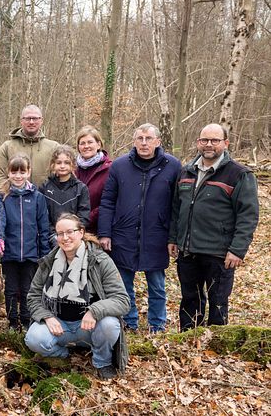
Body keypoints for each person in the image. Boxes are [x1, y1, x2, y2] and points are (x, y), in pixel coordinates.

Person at [168, 123, 259, 331]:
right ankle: (189, 338)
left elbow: (248, 216)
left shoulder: (239, 174)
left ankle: (215, 343)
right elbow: (176, 209)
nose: (209, 145)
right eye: (204, 140)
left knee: (218, 301)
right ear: (198, 142)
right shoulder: (186, 171)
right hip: (188, 250)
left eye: (214, 140)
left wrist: (237, 250)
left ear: (225, 143)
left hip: (219, 252)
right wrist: (173, 238)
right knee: (190, 298)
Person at [25, 214, 130, 380]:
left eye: (70, 232)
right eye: (60, 233)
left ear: (81, 232)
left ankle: (102, 361)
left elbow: (122, 300)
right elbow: (33, 296)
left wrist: (94, 311)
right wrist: (46, 317)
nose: (65, 238)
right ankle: (64, 354)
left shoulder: (100, 261)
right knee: (33, 339)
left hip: (89, 327)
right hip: (59, 327)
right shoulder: (49, 262)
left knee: (110, 325)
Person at [98, 123, 181, 333]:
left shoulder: (172, 166)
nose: (144, 143)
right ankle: (129, 322)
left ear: (157, 142)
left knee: (157, 286)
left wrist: (173, 237)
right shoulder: (119, 165)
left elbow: (177, 204)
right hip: (123, 234)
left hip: (156, 235)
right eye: (140, 139)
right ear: (134, 141)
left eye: (148, 138)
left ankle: (158, 325)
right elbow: (108, 200)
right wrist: (105, 232)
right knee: (124, 284)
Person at [0, 155, 51, 330]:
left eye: (22, 172)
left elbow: (43, 226)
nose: (18, 176)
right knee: (10, 289)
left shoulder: (37, 197)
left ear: (28, 172)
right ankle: (12, 321)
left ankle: (26, 320)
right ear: (8, 173)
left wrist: (44, 252)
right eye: (14, 172)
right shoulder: (2, 197)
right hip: (9, 252)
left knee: (27, 289)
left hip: (31, 253)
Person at [0, 104, 58, 187]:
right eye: (27, 118)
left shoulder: (54, 147)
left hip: (45, 198)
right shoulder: (7, 147)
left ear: (41, 120)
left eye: (35, 118)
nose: (31, 122)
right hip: (13, 197)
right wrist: (14, 194)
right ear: (21, 120)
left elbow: (59, 175)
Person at [39, 145, 90, 242]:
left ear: (73, 165)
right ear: (53, 165)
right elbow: (42, 216)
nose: (62, 166)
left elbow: (84, 216)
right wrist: (54, 235)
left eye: (66, 163)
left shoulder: (81, 189)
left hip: (73, 238)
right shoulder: (44, 188)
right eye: (59, 163)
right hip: (50, 239)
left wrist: (71, 234)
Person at [74, 126, 112, 233]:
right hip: (73, 230)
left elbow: (109, 201)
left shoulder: (110, 169)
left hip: (99, 229)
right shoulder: (71, 169)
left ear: (98, 144)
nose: (86, 146)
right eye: (82, 143)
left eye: (90, 142)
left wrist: (85, 220)